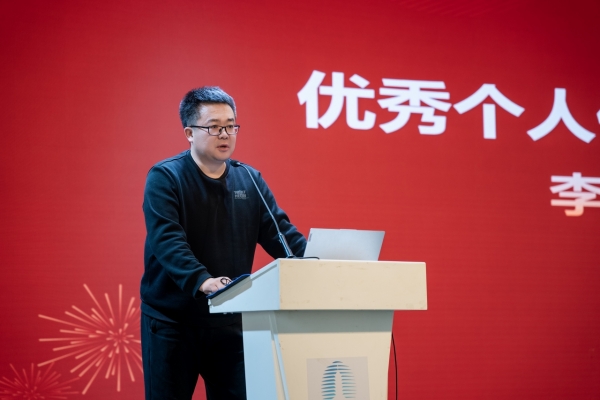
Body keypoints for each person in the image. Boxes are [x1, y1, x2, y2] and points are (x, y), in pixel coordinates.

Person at [140, 86, 306, 400]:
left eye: (231, 126)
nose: (225, 134)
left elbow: (282, 235)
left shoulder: (250, 179)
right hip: (173, 322)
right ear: (189, 133)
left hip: (230, 319)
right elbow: (168, 241)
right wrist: (203, 281)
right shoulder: (166, 177)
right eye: (214, 127)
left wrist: (318, 263)